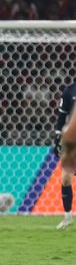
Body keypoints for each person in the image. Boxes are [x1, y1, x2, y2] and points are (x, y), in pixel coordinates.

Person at [53, 83, 76, 229]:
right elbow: (62, 116)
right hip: (73, 140)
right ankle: (68, 217)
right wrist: (57, 138)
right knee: (66, 178)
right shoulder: (70, 90)